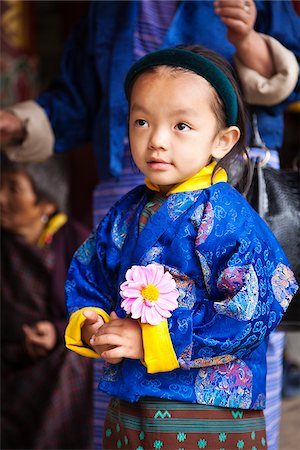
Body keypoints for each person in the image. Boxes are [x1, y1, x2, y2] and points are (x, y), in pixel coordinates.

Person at [0, 2, 299, 449]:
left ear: (223, 140)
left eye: (181, 125)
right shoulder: (125, 212)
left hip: (208, 413)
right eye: (142, 121)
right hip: (134, 406)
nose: (156, 139)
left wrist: (152, 338)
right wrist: (91, 320)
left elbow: (258, 307)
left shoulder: (229, 217)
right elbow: (89, 273)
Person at [0, 154, 93, 449]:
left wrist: (56, 331)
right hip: (7, 357)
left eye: (13, 189)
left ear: (47, 203)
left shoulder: (76, 242)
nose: (0, 198)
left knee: (77, 359)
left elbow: (99, 309)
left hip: (57, 359)